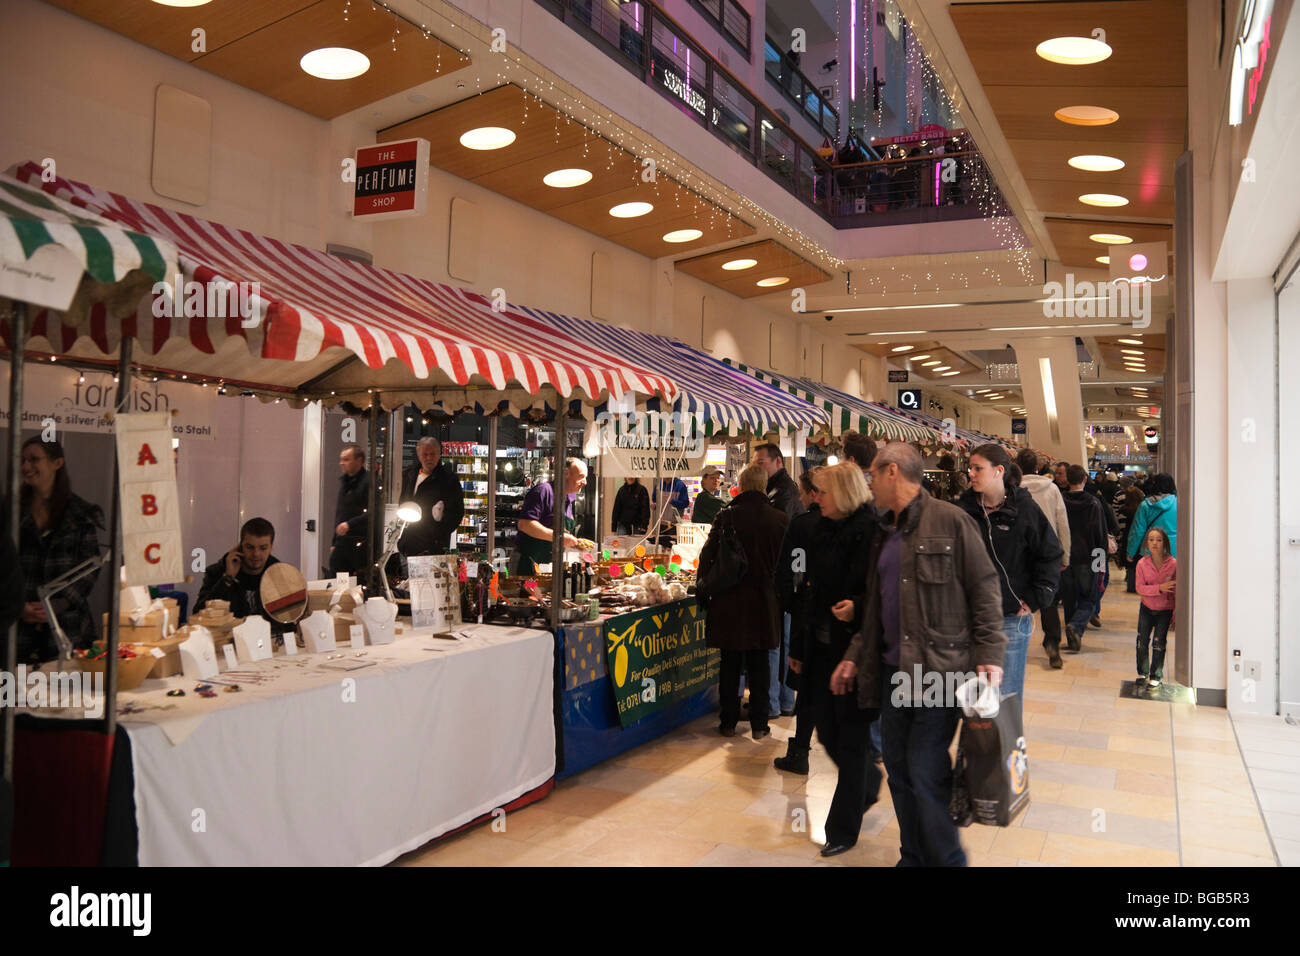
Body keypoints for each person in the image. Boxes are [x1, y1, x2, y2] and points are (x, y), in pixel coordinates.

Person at [831, 442, 1006, 867]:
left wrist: (991, 652)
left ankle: (948, 861)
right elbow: (876, 605)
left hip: (939, 671)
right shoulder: (884, 532)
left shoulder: (951, 522)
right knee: (902, 771)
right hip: (894, 673)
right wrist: (855, 653)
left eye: (873, 474)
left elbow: (984, 589)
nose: (868, 483)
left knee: (925, 769)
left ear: (893, 472)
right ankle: (913, 857)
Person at [789, 463, 881, 856]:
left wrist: (856, 607)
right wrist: (796, 647)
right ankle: (869, 783)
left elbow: (883, 596)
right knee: (825, 729)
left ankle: (843, 828)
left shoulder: (874, 534)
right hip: (820, 646)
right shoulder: (817, 530)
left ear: (842, 493)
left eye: (821, 492)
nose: (814, 498)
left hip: (858, 649)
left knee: (853, 739)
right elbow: (804, 592)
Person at [958, 445, 1062, 712]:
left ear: (999, 471)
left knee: (1005, 699)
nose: (971, 473)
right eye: (970, 468)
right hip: (968, 620)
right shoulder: (962, 510)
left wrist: (1036, 597)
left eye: (977, 468)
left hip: (1011, 619)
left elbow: (1050, 554)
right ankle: (974, 753)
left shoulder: (1025, 509)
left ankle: (1006, 752)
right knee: (970, 700)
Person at [698, 464, 789, 740]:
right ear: (763, 485)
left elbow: (707, 556)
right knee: (761, 664)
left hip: (730, 601)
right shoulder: (781, 520)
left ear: (741, 484)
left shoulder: (725, 517)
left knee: (730, 663)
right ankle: (760, 724)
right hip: (764, 601)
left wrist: (704, 587)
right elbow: (786, 566)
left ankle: (728, 721)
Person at [16, 437, 104, 663]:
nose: (26, 467)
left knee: (67, 696)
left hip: (68, 630)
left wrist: (57, 605)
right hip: (17, 633)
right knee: (12, 696)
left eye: (34, 459)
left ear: (57, 463)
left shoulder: (81, 514)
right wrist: (16, 605)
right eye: (23, 460)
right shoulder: (10, 513)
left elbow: (91, 568)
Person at [774, 467, 824, 773]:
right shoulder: (851, 522)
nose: (802, 499)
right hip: (837, 613)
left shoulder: (804, 526)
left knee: (808, 685)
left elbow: (791, 568)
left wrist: (791, 601)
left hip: (809, 608)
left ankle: (801, 749)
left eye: (804, 493)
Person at [752, 442, 803, 718]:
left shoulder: (783, 493)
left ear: (778, 462)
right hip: (784, 577)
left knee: (776, 643)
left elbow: (779, 538)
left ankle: (774, 702)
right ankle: (782, 701)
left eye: (762, 463)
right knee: (780, 642)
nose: (758, 467)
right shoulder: (777, 490)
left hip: (781, 579)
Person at [1017, 448, 1071, 668]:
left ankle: (1016, 644)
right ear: (1038, 467)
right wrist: (1064, 554)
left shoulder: (1012, 488)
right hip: (1047, 553)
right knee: (1047, 599)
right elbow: (1062, 523)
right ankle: (1052, 643)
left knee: (1016, 599)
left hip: (1020, 552)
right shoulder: (1052, 490)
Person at [195, 517, 281, 622]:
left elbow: (288, 619)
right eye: (250, 547)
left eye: (263, 548)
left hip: (269, 636)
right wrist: (227, 578)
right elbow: (198, 614)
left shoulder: (278, 573)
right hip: (227, 637)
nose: (256, 554)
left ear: (271, 548)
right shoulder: (217, 571)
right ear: (240, 547)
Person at [512, 458, 586, 575]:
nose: (585, 482)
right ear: (566, 473)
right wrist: (559, 538)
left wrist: (575, 543)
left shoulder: (569, 499)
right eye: (581, 476)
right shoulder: (543, 491)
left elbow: (561, 533)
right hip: (527, 565)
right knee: (528, 593)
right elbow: (525, 524)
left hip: (547, 568)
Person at [1061, 464, 1107, 651]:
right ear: (1085, 480)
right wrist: (1101, 562)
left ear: (1067, 480)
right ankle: (1076, 626)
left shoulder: (1060, 501)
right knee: (1090, 597)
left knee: (1069, 598)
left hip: (1066, 556)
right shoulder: (1093, 503)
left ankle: (1072, 637)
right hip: (1089, 557)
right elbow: (1100, 534)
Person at [398, 437, 465, 556]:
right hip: (410, 541)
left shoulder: (448, 479)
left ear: (439, 454)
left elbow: (456, 512)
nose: (429, 458)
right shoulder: (409, 475)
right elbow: (403, 502)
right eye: (425, 454)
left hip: (434, 545)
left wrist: (438, 534)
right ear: (418, 454)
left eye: (432, 454)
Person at [1134, 527, 1177, 689]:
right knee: (1142, 641)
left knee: (1159, 642)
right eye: (1151, 540)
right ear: (1147, 543)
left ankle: (1156, 675)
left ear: (1165, 542)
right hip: (1146, 607)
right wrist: (1159, 588)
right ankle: (1142, 672)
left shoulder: (1173, 564)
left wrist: (1176, 612)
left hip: (1165, 610)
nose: (1155, 543)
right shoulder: (1142, 564)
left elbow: (1176, 591)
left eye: (1158, 540)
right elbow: (1140, 588)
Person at [329, 443, 370, 574]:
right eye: (341, 459)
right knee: (335, 578)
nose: (342, 463)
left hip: (360, 545)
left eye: (346, 459)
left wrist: (349, 524)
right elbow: (340, 513)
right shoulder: (344, 482)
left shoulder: (369, 481)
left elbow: (373, 512)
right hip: (342, 542)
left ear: (359, 460)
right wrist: (334, 542)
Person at [1126, 473, 1178, 562]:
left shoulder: (1145, 505)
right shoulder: (1178, 504)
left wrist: (1130, 552)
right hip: (1174, 549)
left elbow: (1137, 531)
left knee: (1152, 575)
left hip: (1151, 550)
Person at [751, 443, 804, 519]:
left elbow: (778, 526)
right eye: (754, 464)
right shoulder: (772, 487)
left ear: (778, 461)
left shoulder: (784, 491)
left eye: (760, 463)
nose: (756, 468)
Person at [1118, 476, 1146, 593]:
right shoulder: (1143, 509)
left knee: (1130, 564)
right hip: (1142, 537)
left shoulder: (1125, 510)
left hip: (1127, 535)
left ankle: (1131, 585)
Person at [650, 476, 690, 544]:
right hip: (661, 523)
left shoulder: (680, 485)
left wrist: (672, 501)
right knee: (660, 546)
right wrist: (654, 505)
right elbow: (654, 500)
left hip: (674, 525)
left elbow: (685, 503)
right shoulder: (658, 485)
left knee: (673, 546)